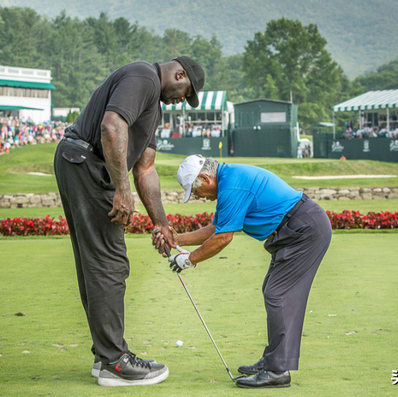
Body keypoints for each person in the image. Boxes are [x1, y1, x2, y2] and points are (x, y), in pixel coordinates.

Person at [53, 56, 205, 387]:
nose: (182, 100)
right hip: (88, 164)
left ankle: (105, 355)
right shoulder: (144, 77)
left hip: (82, 163)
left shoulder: (154, 106)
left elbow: (145, 167)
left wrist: (161, 223)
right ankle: (114, 362)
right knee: (110, 262)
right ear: (179, 74)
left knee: (98, 261)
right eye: (186, 92)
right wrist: (122, 189)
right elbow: (111, 126)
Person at [161, 155, 332, 389]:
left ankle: (277, 370)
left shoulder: (232, 185)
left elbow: (223, 238)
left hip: (304, 230)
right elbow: (216, 228)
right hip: (294, 230)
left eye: (197, 191)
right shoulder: (228, 180)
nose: (200, 197)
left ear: (204, 178)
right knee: (273, 292)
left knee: (278, 294)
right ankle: (273, 360)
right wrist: (177, 240)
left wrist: (188, 260)